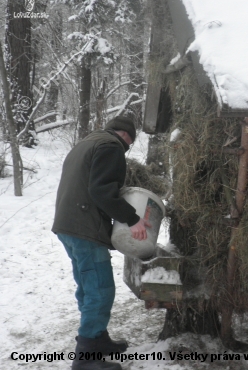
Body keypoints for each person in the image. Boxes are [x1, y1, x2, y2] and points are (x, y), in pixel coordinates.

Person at [52, 116, 151, 370]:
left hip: (68, 224)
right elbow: (101, 190)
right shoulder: (111, 147)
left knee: (87, 287)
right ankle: (85, 358)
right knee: (99, 290)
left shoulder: (87, 143)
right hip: (86, 227)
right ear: (127, 136)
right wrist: (132, 219)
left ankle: (97, 339)